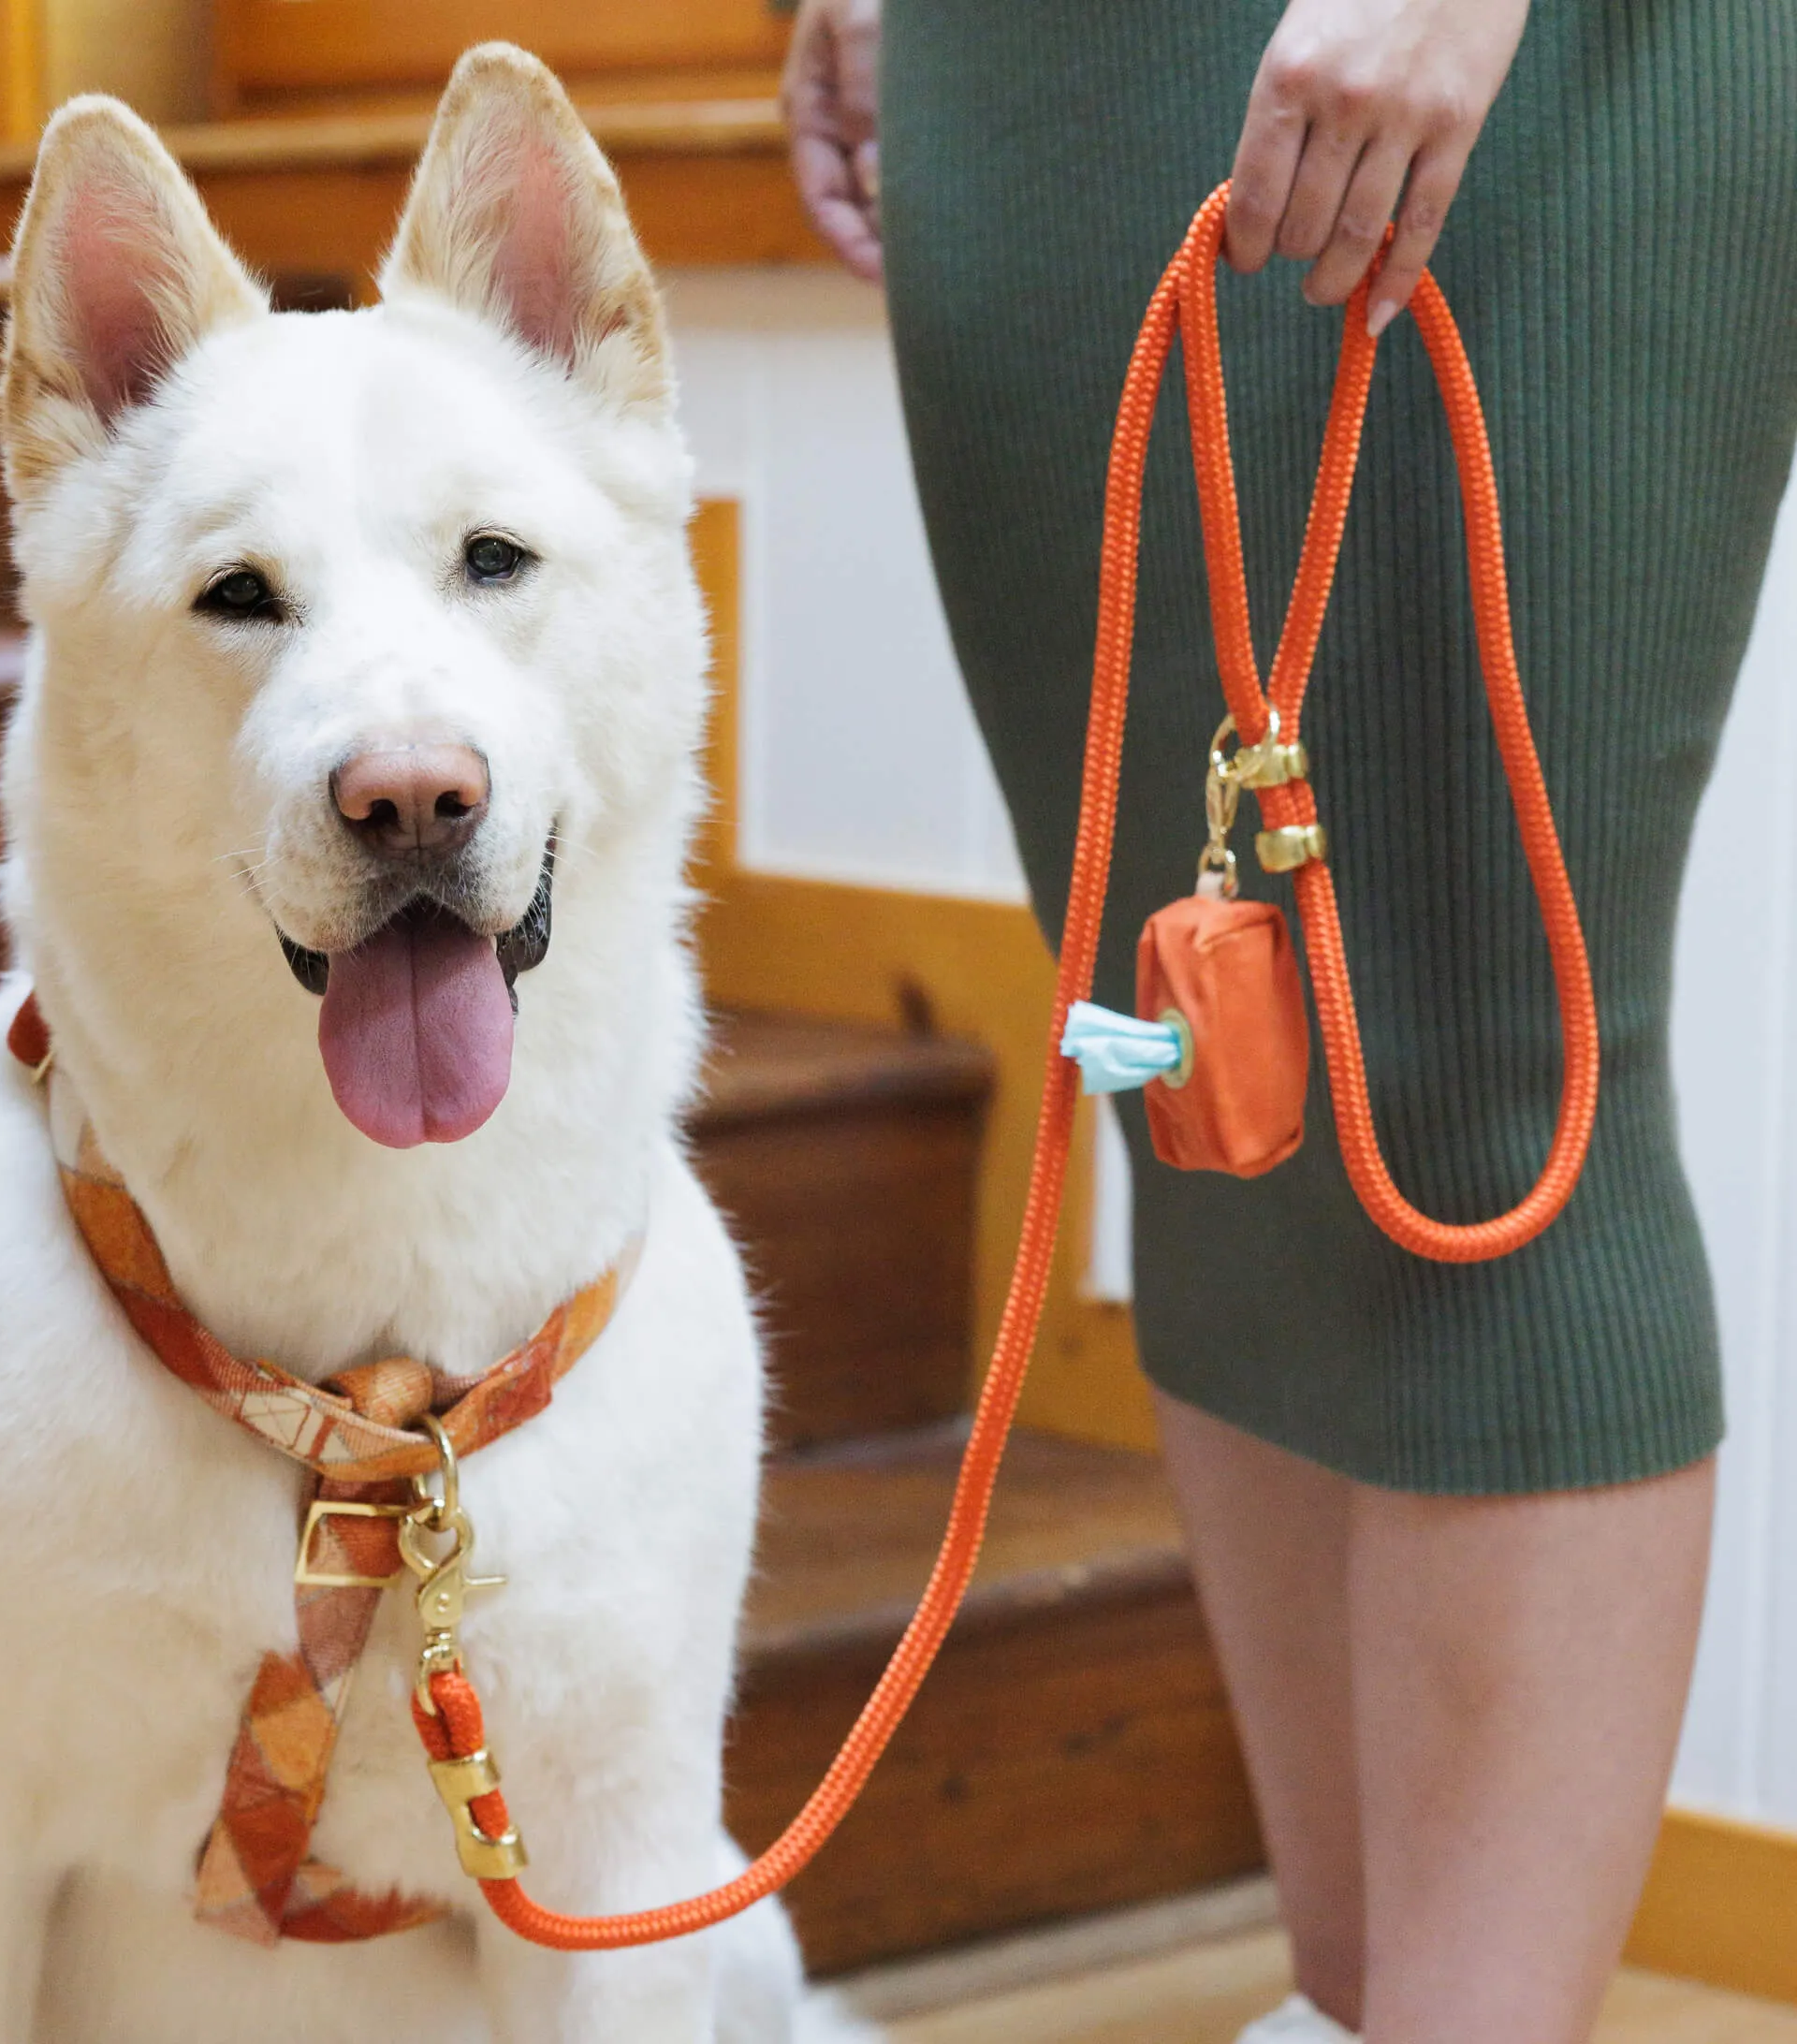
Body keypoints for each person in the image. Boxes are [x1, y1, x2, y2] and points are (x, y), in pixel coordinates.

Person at [782, 3, 1797, 2040]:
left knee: (1483, 1086)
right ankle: (1355, 2010)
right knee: (1199, 1019)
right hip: (1025, 77)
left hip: (1522, 60)